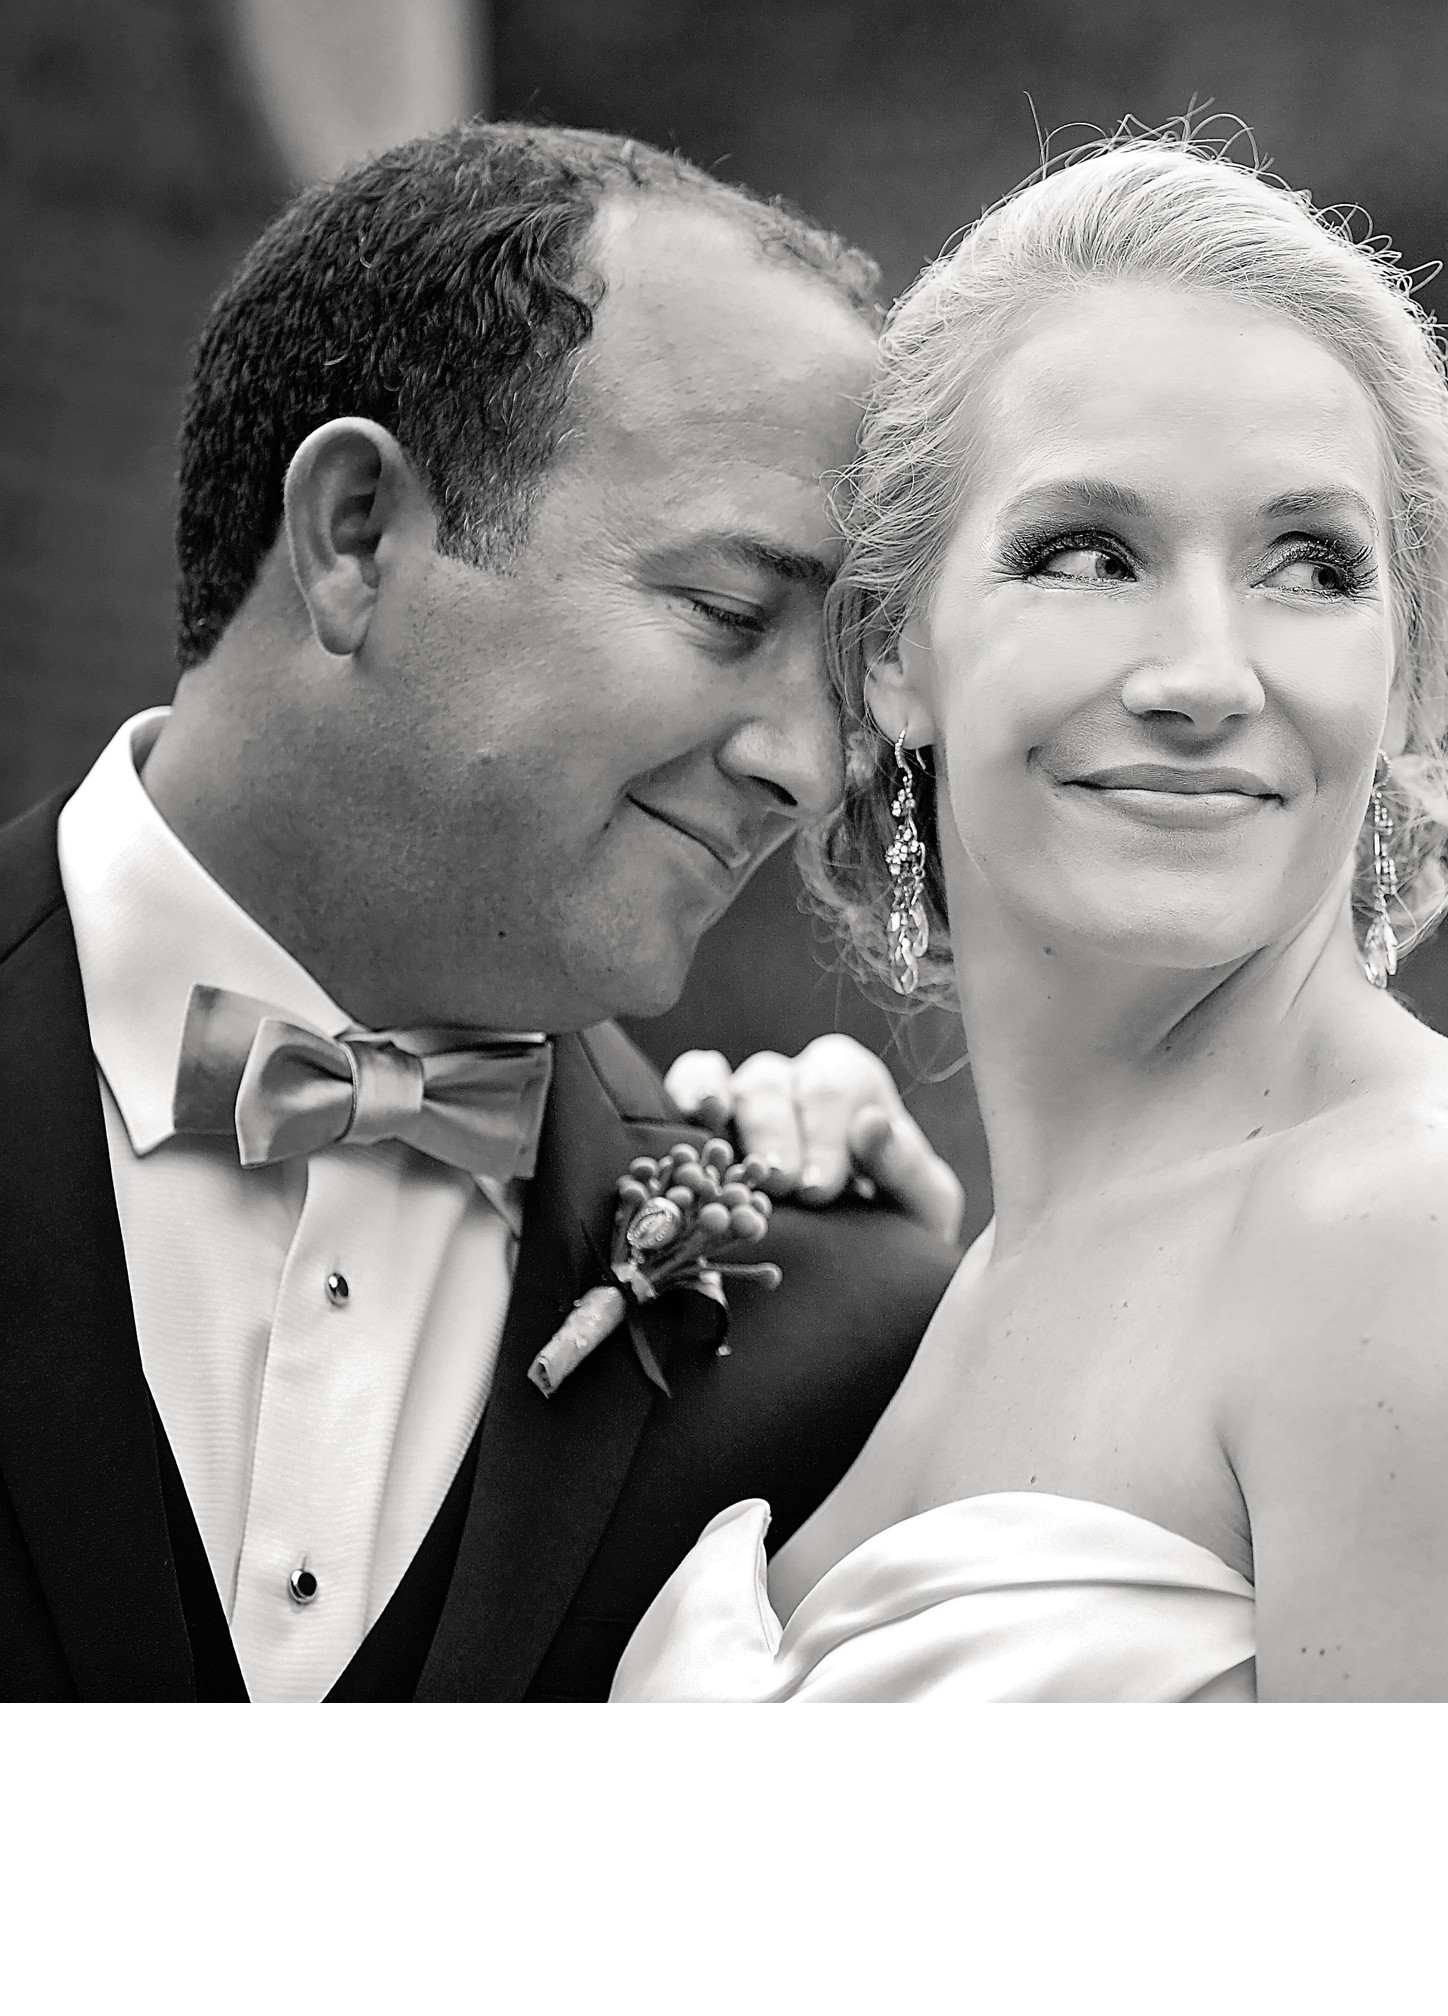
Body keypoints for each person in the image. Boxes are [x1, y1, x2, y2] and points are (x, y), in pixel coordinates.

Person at [616, 135, 1448, 1702]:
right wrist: (841, 1260)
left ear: (1403, 680)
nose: (1205, 675)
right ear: (891, 654)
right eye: (1089, 554)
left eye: (1310, 565)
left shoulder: (1428, 1231)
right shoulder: (930, 1292)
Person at [0, 124, 966, 1702]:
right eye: (731, 614)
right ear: (358, 535)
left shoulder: (852, 1344)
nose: (810, 767)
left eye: (849, 671)